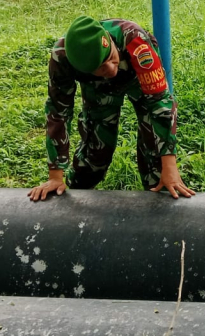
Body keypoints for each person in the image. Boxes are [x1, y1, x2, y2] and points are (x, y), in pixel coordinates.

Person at [28, 16, 195, 201]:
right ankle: (75, 196)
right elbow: (58, 112)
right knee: (96, 150)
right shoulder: (62, 57)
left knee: (156, 152)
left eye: (110, 57)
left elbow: (159, 103)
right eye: (100, 67)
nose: (109, 69)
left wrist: (170, 166)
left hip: (138, 79)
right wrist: (55, 176)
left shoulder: (135, 41)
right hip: (98, 88)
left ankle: (159, 202)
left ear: (109, 42)